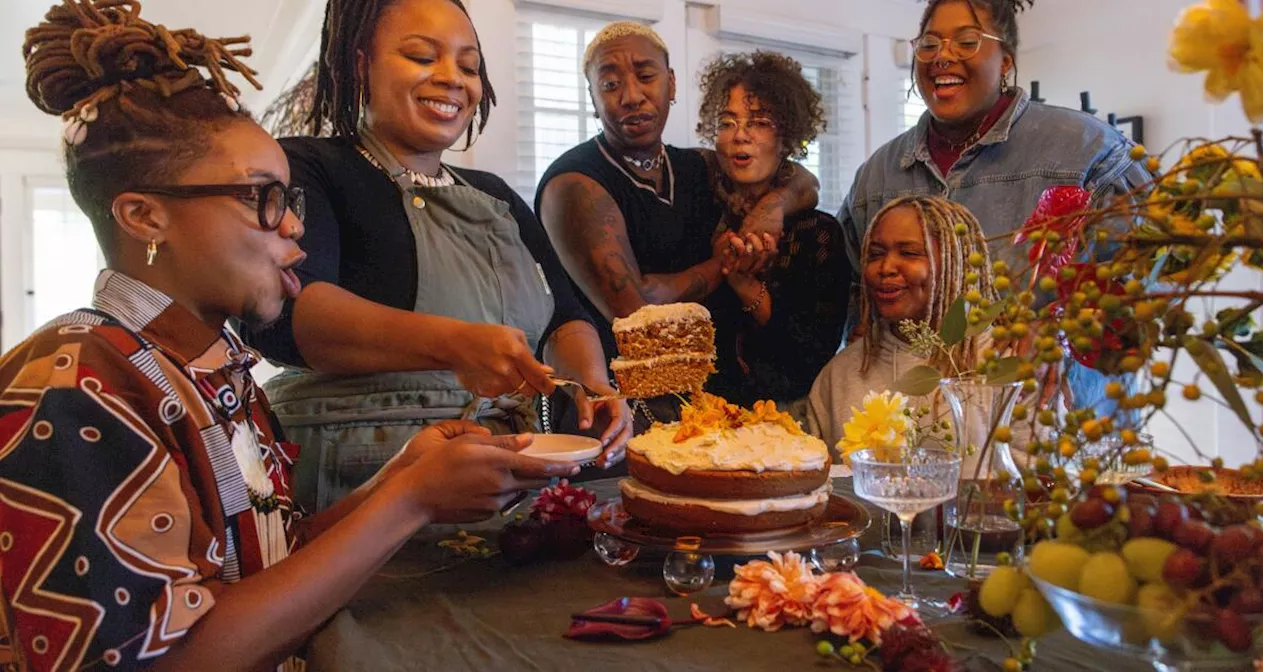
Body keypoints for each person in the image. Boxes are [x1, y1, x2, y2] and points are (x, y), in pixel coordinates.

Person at [4, 2, 578, 668]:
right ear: (144, 216)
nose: (294, 228)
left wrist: (398, 477)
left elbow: (270, 565)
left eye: (290, 201)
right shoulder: (75, 382)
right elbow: (168, 657)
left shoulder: (215, 373)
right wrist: (409, 503)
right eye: (262, 197)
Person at [244, 0, 630, 512]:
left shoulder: (494, 195)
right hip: (359, 469)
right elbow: (288, 314)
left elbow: (563, 314)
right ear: (360, 64)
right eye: (423, 57)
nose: (453, 79)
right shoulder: (310, 167)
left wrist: (593, 386)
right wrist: (453, 344)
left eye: (469, 66)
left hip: (503, 465)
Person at [837, 0, 1148, 418]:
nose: (943, 56)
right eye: (928, 45)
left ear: (1006, 61)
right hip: (921, 440)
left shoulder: (1085, 150)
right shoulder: (880, 174)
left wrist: (1064, 326)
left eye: (967, 41)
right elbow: (852, 300)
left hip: (1056, 432)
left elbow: (1153, 275)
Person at [535, 23, 821, 389]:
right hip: (620, 402)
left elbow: (802, 180)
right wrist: (723, 264)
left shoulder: (697, 165)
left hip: (712, 393)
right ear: (593, 99)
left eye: (645, 75)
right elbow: (638, 315)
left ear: (671, 84)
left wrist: (772, 208)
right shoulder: (574, 186)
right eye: (610, 84)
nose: (632, 95)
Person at [694, 51, 850, 410]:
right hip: (694, 416)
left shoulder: (817, 234)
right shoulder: (700, 209)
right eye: (728, 122)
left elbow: (809, 359)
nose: (741, 136)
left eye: (760, 122)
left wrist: (744, 285)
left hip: (780, 422)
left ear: (787, 137)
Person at [808, 196, 994, 451]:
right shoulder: (840, 375)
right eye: (875, 254)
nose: (886, 267)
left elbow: (1038, 480)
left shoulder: (1003, 360)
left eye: (909, 253)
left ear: (956, 261)